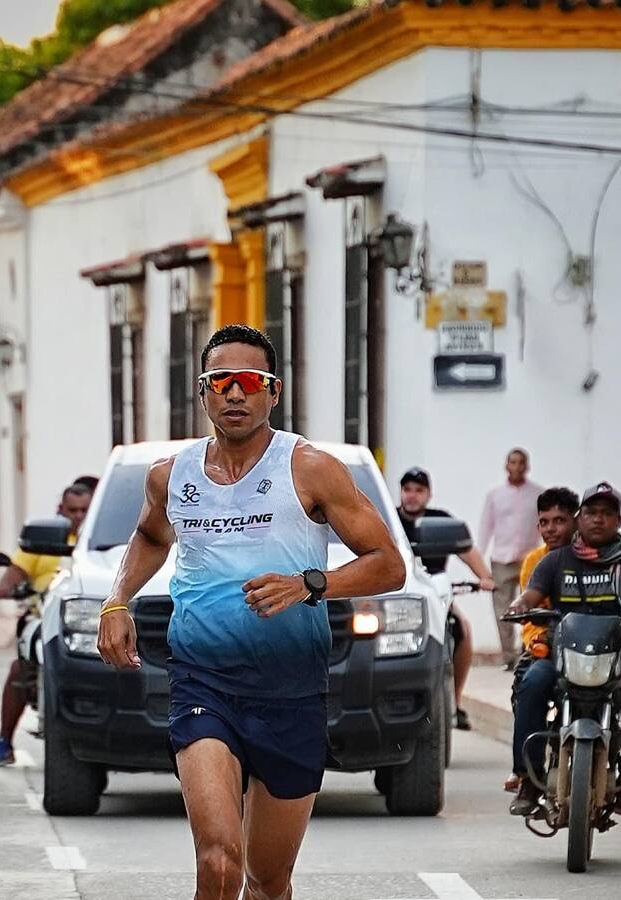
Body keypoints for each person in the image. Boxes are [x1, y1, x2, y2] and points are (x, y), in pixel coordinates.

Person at [98, 324, 404, 900]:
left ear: (274, 391)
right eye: (221, 382)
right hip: (202, 682)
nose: (235, 394)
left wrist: (310, 585)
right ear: (204, 391)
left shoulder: (311, 469)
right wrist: (117, 599)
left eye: (248, 381)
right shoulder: (172, 475)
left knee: (268, 879)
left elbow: (389, 564)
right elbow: (148, 536)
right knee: (219, 862)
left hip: (290, 688)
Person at [505, 482, 621, 817]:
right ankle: (528, 777)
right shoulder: (556, 560)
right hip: (563, 660)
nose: (598, 520)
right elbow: (531, 594)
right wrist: (518, 606)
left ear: (619, 520)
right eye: (591, 513)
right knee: (530, 683)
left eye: (606, 514)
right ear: (580, 518)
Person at [0, 482, 94, 767]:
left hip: (92, 626)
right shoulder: (47, 541)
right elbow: (14, 573)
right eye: (73, 510)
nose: (79, 516)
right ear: (60, 510)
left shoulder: (108, 542)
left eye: (86, 509)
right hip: (44, 618)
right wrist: (8, 587)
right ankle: (4, 741)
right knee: (20, 668)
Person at [396, 466, 495, 731]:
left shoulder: (441, 521)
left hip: (438, 592)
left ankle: (456, 702)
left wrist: (485, 577)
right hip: (399, 596)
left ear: (428, 494)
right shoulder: (389, 520)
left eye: (419, 490)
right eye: (407, 489)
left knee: (463, 628)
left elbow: (466, 550)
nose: (412, 496)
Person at [501, 486, 580, 793]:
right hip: (551, 649)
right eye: (544, 522)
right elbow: (531, 616)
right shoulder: (535, 561)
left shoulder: (596, 557)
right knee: (529, 683)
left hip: (594, 652)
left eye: (559, 521)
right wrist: (542, 644)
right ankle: (526, 773)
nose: (551, 528)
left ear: (576, 521)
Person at [477, 448, 542, 669]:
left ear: (527, 466)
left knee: (531, 608)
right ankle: (509, 656)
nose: (516, 467)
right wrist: (479, 561)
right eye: (512, 462)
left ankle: (528, 651)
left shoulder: (537, 494)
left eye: (521, 462)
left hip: (528, 559)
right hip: (501, 559)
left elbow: (544, 525)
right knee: (502, 611)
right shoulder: (495, 494)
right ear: (506, 465)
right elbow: (486, 526)